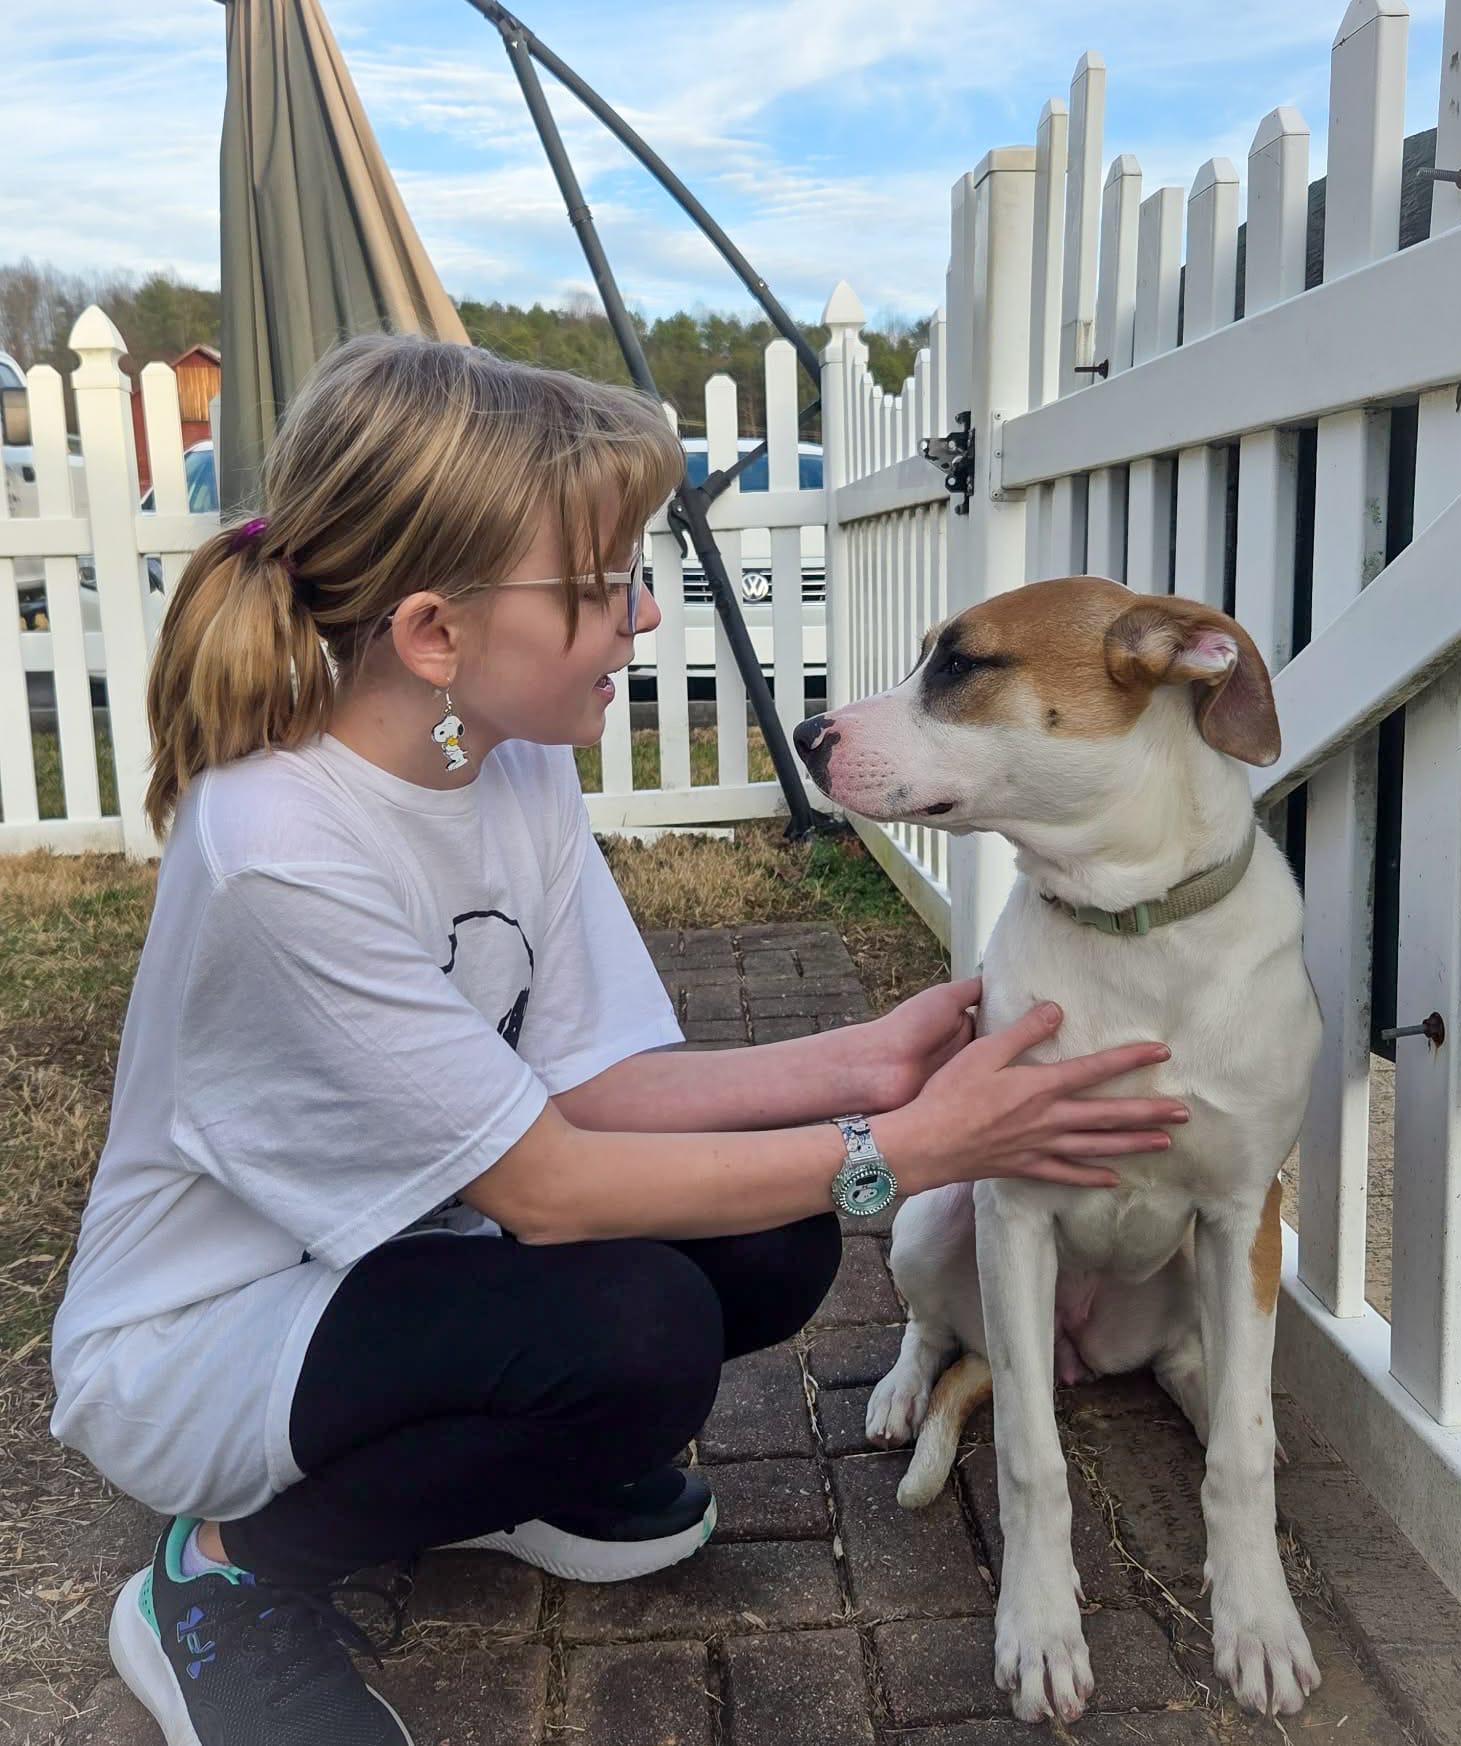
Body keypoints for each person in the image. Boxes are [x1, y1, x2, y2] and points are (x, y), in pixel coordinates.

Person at [48, 334, 1186, 1746]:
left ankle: (517, 1465)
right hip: (213, 1328)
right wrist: (912, 1146)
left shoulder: (503, 756)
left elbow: (594, 1081)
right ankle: (224, 1575)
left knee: (778, 1244)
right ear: (433, 635)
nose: (643, 615)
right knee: (643, 1337)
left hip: (405, 1239)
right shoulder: (279, 846)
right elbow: (555, 1187)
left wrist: (861, 1067)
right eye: (598, 588)